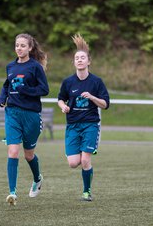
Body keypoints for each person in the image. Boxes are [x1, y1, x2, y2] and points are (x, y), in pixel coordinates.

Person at [0, 33, 49, 206]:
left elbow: (44, 89)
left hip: (31, 115)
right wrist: (2, 97)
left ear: (30, 48)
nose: (19, 48)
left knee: (28, 155)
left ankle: (37, 178)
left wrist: (28, 90)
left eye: (22, 45)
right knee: (12, 151)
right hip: (12, 113)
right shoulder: (10, 66)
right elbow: (7, 85)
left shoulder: (35, 67)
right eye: (17, 45)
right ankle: (12, 192)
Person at [58, 34, 110, 201]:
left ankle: (87, 192)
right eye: (76, 58)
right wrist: (63, 106)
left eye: (82, 58)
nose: (79, 60)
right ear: (74, 62)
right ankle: (83, 156)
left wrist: (92, 97)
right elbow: (60, 98)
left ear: (88, 62)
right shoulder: (67, 82)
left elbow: (105, 104)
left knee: (85, 160)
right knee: (73, 163)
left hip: (90, 125)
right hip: (72, 125)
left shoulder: (96, 82)